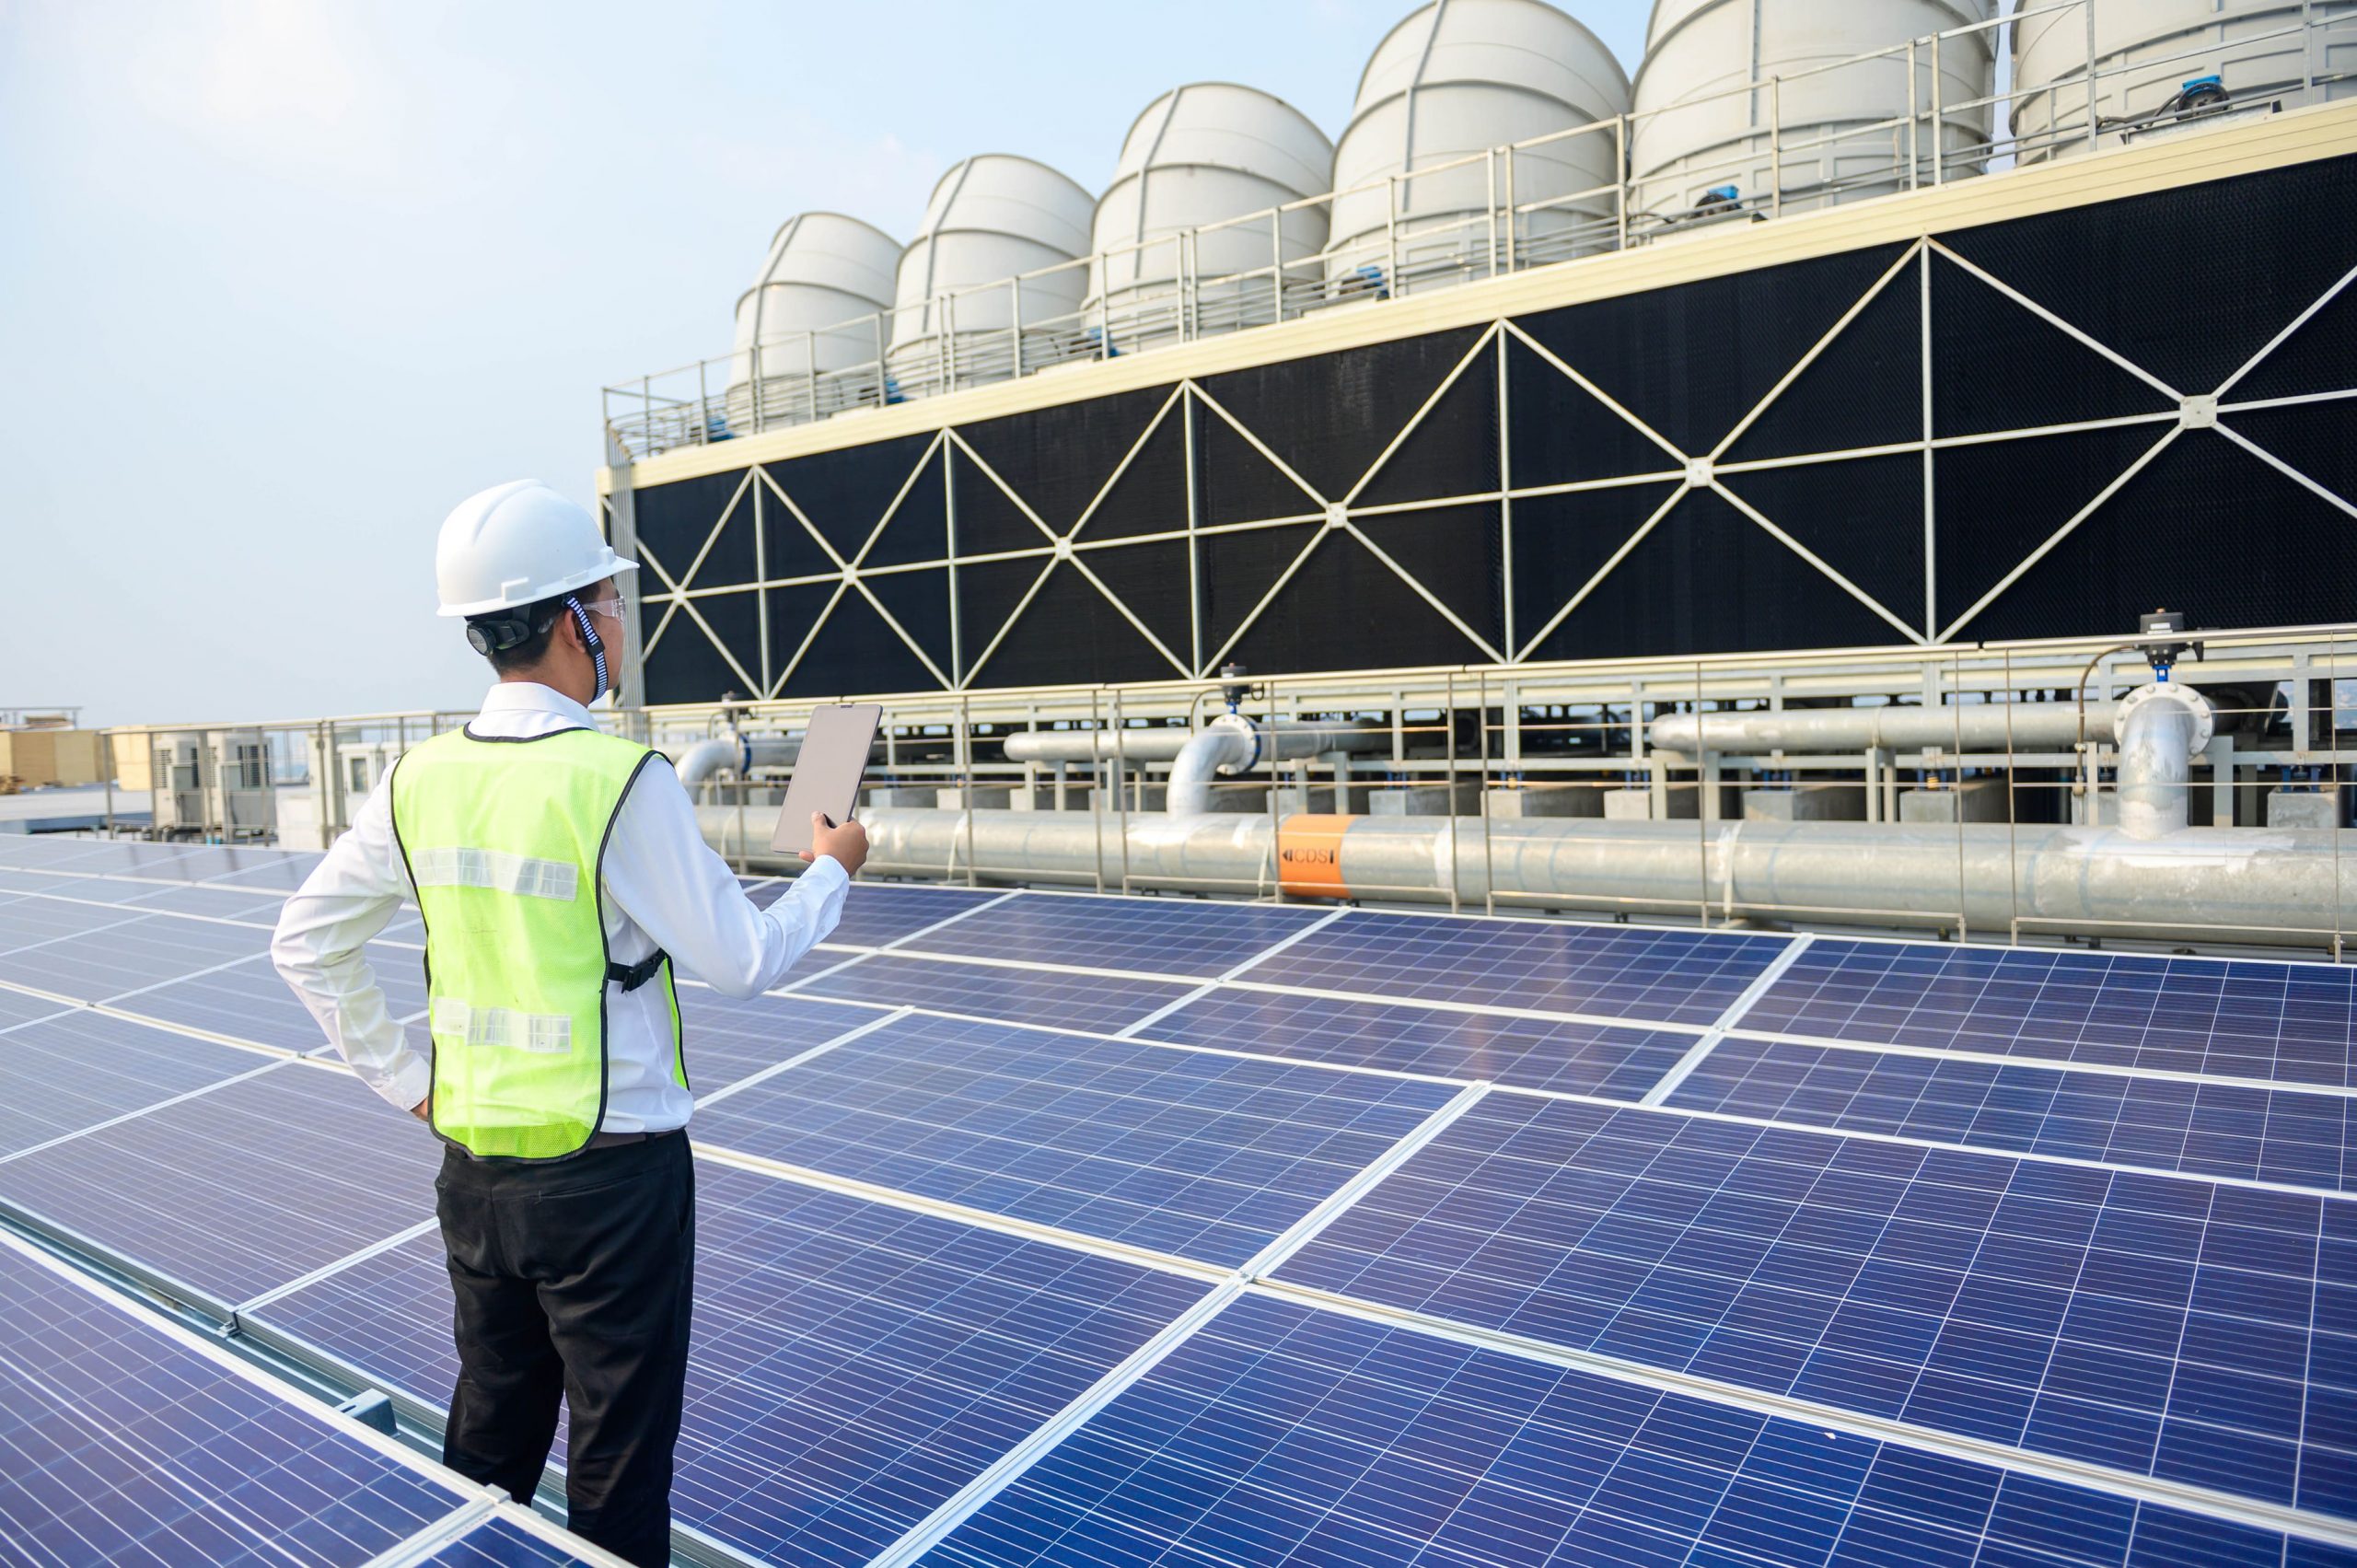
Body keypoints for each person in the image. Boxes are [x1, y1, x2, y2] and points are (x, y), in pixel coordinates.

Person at [271, 478, 866, 1565]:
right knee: (617, 1460)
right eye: (612, 599)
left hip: (476, 1173)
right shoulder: (618, 778)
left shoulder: (417, 777)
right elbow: (743, 958)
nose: (623, 622)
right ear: (569, 622)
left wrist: (412, 1081)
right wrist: (829, 872)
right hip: (613, 1185)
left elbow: (305, 940)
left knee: (489, 1434)